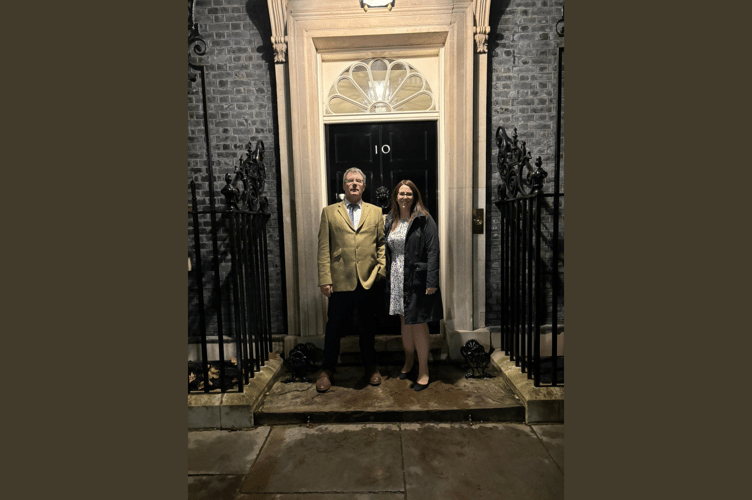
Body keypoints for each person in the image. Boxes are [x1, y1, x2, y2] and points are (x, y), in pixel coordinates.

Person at [316, 167, 386, 393]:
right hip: (339, 281)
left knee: (368, 328)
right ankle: (327, 370)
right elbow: (324, 248)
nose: (354, 184)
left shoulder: (376, 212)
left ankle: (371, 368)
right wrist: (325, 279)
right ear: (344, 186)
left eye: (358, 181)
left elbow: (382, 244)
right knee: (334, 327)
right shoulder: (329, 212)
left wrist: (381, 270)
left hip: (367, 280)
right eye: (350, 181)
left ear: (364, 186)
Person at [384, 180, 444, 392]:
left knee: (418, 323)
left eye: (409, 193)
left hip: (417, 278)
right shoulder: (389, 219)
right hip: (397, 277)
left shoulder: (424, 219)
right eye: (401, 193)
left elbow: (433, 251)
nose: (404, 197)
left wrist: (432, 282)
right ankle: (409, 362)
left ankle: (424, 370)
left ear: (415, 196)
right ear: (396, 196)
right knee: (404, 320)